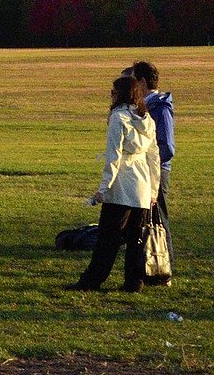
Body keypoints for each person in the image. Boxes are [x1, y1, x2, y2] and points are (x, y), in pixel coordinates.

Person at [73, 73, 161, 292]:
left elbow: (114, 157)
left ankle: (92, 280)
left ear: (120, 94)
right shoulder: (147, 119)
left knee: (108, 239)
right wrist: (153, 191)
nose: (110, 97)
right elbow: (154, 157)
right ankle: (134, 282)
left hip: (121, 186)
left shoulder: (118, 117)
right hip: (142, 186)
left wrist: (102, 190)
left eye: (112, 92)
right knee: (136, 240)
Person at [126, 60, 173, 220]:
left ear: (142, 82)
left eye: (133, 81)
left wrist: (150, 165)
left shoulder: (160, 107)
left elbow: (167, 146)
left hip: (156, 172)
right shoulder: (143, 106)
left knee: (158, 222)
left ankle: (166, 246)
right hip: (144, 170)